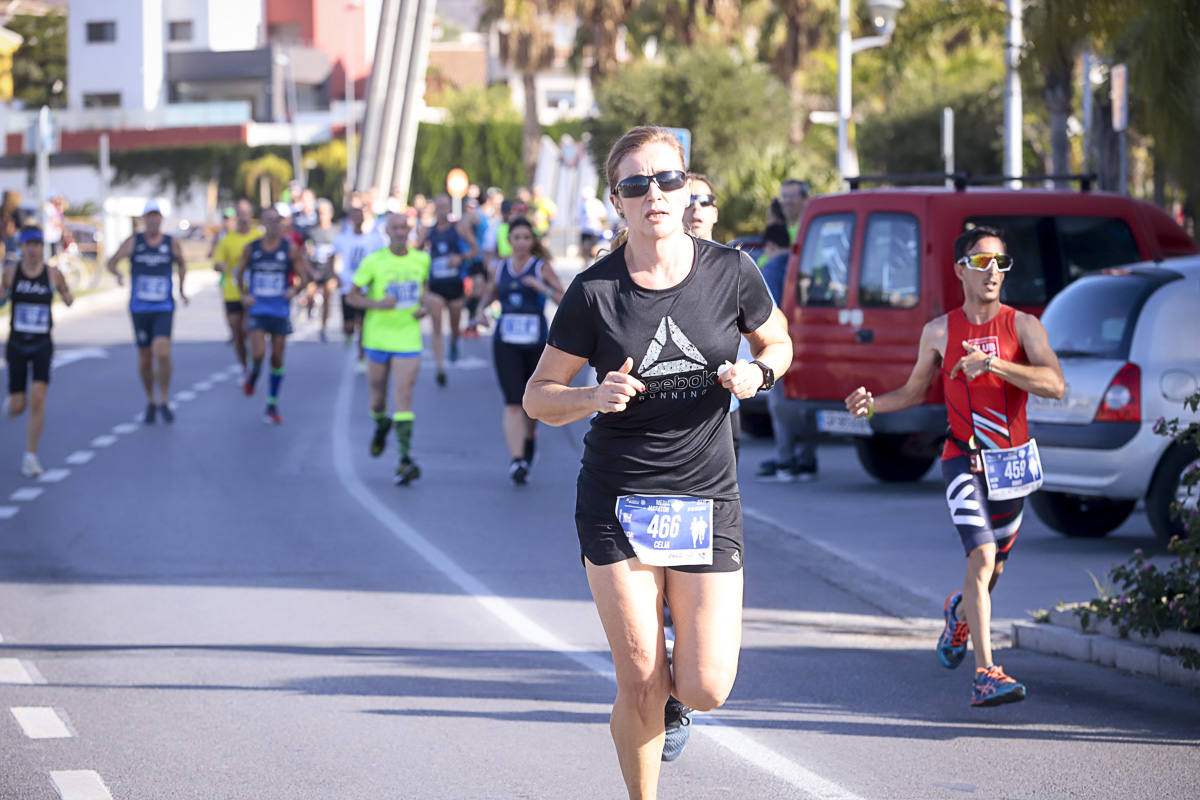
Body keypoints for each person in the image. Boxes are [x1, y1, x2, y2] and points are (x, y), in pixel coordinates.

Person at [523, 125, 790, 797]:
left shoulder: (730, 269)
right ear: (616, 200)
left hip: (705, 495)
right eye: (636, 185)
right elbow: (537, 397)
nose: (655, 196)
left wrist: (759, 374)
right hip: (618, 499)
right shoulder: (593, 292)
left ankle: (677, 703)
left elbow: (778, 339)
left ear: (685, 186)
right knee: (641, 672)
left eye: (667, 180)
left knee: (705, 683)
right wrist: (591, 394)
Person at [845, 225, 1065, 707]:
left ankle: (959, 613)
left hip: (1012, 465)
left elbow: (1055, 385)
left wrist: (996, 367)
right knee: (982, 559)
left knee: (992, 572)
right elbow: (912, 391)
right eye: (982, 263)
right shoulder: (940, 331)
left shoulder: (1023, 325)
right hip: (962, 460)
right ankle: (987, 672)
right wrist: (872, 406)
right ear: (960, 270)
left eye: (1001, 264)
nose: (993, 273)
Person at [471, 217, 564, 485]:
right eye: (517, 237)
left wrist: (542, 288)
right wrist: (480, 312)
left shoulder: (540, 267)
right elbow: (491, 293)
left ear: (532, 241)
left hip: (536, 343)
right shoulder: (501, 267)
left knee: (530, 404)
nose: (521, 242)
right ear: (509, 241)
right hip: (506, 342)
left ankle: (529, 438)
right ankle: (517, 460)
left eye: (526, 237)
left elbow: (564, 299)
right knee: (513, 402)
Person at [346, 212, 431, 486]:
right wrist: (376, 304)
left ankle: (404, 459)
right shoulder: (374, 261)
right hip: (377, 338)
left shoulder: (421, 260)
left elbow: (425, 294)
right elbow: (352, 296)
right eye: (394, 227)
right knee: (377, 399)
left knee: (403, 394)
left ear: (409, 230)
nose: (399, 231)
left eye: (403, 227)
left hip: (408, 338)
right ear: (387, 231)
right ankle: (382, 423)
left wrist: (425, 308)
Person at [106, 200, 189, 424]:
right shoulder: (134, 242)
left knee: (162, 352)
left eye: (157, 216)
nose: (153, 220)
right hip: (139, 307)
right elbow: (111, 262)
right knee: (145, 358)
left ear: (161, 219)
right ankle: (150, 399)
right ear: (144, 219)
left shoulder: (171, 243)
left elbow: (182, 264)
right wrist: (118, 274)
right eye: (149, 216)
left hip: (163, 306)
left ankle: (163, 398)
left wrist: (181, 289)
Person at [2, 226, 73, 476]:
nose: (33, 250)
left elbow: (67, 294)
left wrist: (66, 295)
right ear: (21, 247)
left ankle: (30, 456)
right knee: (20, 405)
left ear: (42, 247)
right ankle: (13, 404)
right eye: (28, 245)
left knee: (38, 397)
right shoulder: (11, 273)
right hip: (17, 344)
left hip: (42, 343)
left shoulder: (52, 274)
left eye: (37, 245)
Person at [235, 205, 312, 424]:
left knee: (277, 358)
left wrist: (294, 290)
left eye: (277, 220)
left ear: (282, 224)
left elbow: (303, 276)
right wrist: (244, 294)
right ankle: (254, 374)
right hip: (259, 308)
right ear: (263, 223)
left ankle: (271, 403)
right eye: (269, 220)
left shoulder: (289, 249)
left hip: (280, 309)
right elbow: (238, 273)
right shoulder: (252, 248)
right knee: (258, 353)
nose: (274, 224)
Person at [754, 222, 812, 482]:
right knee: (806, 403)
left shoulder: (772, 268)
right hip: (811, 342)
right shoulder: (805, 263)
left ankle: (786, 461)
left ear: (769, 246)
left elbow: (768, 312)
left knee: (780, 405)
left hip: (781, 344)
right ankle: (808, 460)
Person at [417, 194, 477, 386]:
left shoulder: (458, 228)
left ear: (450, 208)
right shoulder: (428, 231)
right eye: (439, 206)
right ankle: (439, 366)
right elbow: (416, 252)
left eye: (445, 206)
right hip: (436, 285)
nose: (442, 210)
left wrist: (460, 258)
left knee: (454, 324)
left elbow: (475, 249)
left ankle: (453, 343)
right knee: (436, 326)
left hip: (455, 285)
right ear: (434, 208)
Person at [212, 200, 263, 372]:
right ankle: (244, 367)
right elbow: (217, 262)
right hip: (232, 292)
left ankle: (255, 356)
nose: (243, 217)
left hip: (254, 291)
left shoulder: (258, 237)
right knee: (237, 335)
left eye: (246, 213)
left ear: (251, 215)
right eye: (240, 213)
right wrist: (223, 266)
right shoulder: (227, 239)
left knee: (247, 329)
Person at [334, 205, 386, 369]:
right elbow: (333, 258)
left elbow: (381, 260)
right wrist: (336, 276)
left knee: (363, 325)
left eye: (360, 216)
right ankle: (348, 334)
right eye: (354, 216)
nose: (357, 220)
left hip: (366, 289)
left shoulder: (374, 239)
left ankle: (361, 357)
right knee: (349, 326)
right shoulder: (342, 239)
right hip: (348, 287)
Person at [304, 198, 339, 340]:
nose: (321, 216)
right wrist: (311, 271)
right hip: (315, 268)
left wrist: (336, 272)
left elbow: (340, 253)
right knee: (310, 293)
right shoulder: (311, 232)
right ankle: (310, 306)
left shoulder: (336, 230)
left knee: (327, 296)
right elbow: (305, 253)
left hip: (329, 270)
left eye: (324, 213)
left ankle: (323, 327)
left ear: (330, 214)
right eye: (319, 213)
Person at [681, 173, 718, 242]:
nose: (696, 206)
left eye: (704, 200)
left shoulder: (732, 253)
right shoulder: (661, 252)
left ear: (715, 214)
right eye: (689, 199)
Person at [778, 178, 810, 243]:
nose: (787, 201)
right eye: (784, 196)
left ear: (805, 200)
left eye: (793, 196)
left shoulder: (810, 231)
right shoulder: (776, 232)